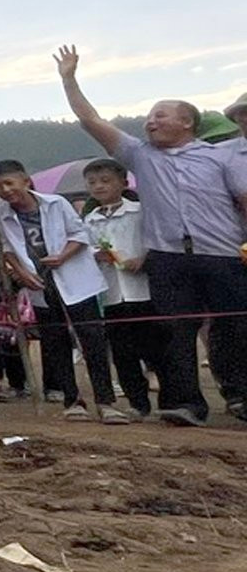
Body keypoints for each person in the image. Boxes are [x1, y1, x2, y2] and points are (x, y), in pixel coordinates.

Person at [56, 46, 247, 425]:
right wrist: (69, 79)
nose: (150, 122)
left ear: (187, 122)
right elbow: (90, 120)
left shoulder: (220, 157)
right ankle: (186, 404)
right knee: (174, 330)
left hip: (222, 254)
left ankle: (240, 395)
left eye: (160, 115)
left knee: (234, 325)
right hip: (167, 256)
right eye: (148, 117)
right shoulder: (141, 155)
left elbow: (243, 201)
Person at [0, 160, 128, 424]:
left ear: (26, 181)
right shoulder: (1, 213)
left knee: (92, 340)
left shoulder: (56, 204)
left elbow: (80, 234)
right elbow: (6, 246)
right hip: (40, 283)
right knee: (55, 343)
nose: (6, 190)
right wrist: (20, 272)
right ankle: (72, 400)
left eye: (10, 183)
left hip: (76, 279)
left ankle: (106, 401)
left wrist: (62, 256)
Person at [81, 158, 167, 418]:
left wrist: (143, 259)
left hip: (143, 291)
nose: (99, 187)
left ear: (123, 183)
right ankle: (137, 402)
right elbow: (85, 248)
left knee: (156, 349)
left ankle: (170, 401)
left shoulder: (140, 212)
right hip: (111, 295)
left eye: (106, 181)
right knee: (123, 353)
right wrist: (96, 255)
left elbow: (157, 241)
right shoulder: (90, 219)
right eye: (93, 183)